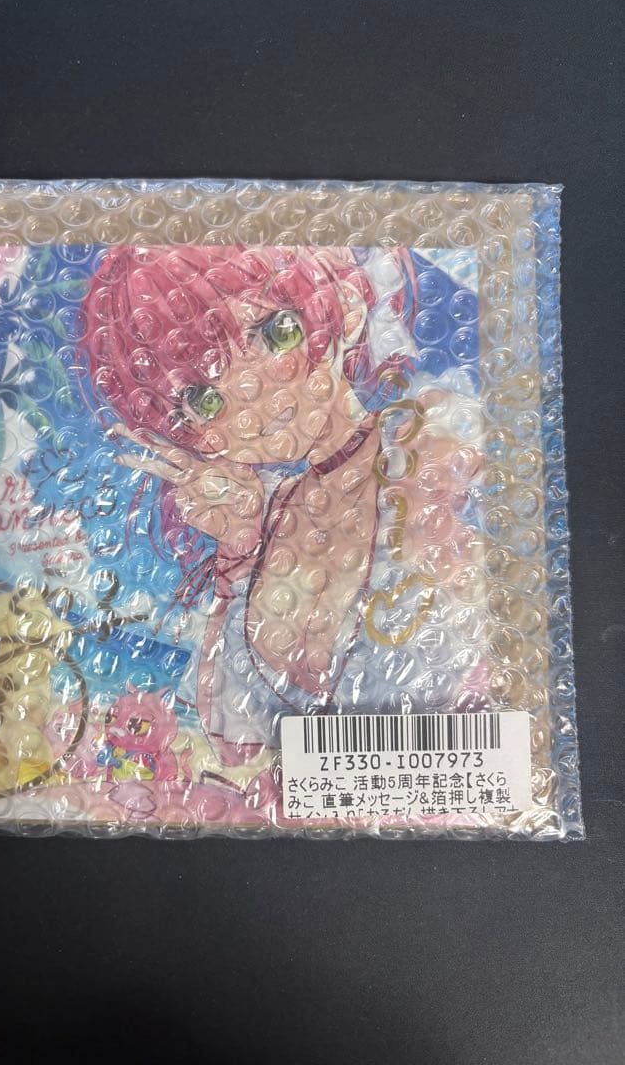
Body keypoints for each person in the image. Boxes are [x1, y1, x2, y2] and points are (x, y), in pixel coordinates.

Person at [80, 245, 480, 766]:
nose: (253, 397)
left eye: (277, 333)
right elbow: (235, 745)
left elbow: (501, 627)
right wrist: (238, 553)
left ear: (345, 304)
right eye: (203, 399)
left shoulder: (432, 442)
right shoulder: (268, 517)